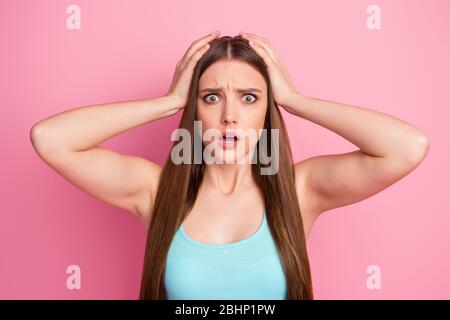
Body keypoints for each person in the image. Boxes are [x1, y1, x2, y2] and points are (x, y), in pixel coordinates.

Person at [30, 30, 430, 300]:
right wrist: (168, 101)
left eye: (250, 98)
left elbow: (407, 147)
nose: (230, 116)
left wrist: (292, 98)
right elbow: (51, 139)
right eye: (212, 97)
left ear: (267, 111)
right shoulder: (155, 191)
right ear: (195, 111)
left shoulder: (300, 190)